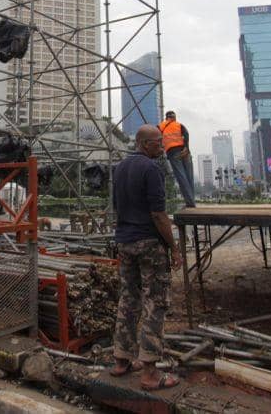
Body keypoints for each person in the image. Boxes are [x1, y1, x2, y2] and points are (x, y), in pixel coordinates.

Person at [110, 124, 181, 391]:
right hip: (149, 243)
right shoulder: (152, 169)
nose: (161, 147)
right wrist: (173, 248)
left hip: (125, 241)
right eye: (158, 143)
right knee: (156, 302)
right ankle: (150, 372)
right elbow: (159, 214)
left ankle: (122, 359)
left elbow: (117, 207)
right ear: (144, 144)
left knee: (128, 299)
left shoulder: (119, 168)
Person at [158, 110, 195, 207]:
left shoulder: (162, 126)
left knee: (181, 176)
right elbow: (186, 134)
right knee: (189, 176)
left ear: (166, 118)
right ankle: (192, 201)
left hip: (173, 153)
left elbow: (154, 134)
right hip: (185, 151)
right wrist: (186, 148)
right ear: (174, 117)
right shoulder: (179, 125)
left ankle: (190, 203)